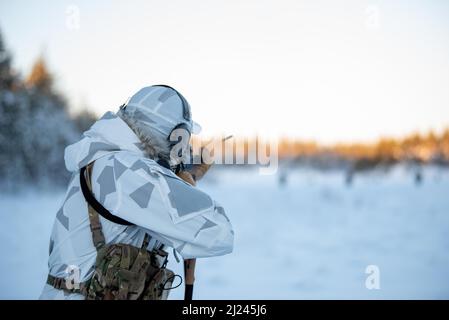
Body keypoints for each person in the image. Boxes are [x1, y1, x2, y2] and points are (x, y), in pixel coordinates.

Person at [39, 85, 234, 300]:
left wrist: (188, 175)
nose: (183, 150)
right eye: (183, 140)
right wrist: (186, 181)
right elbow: (218, 233)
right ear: (173, 135)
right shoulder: (125, 171)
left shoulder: (109, 161)